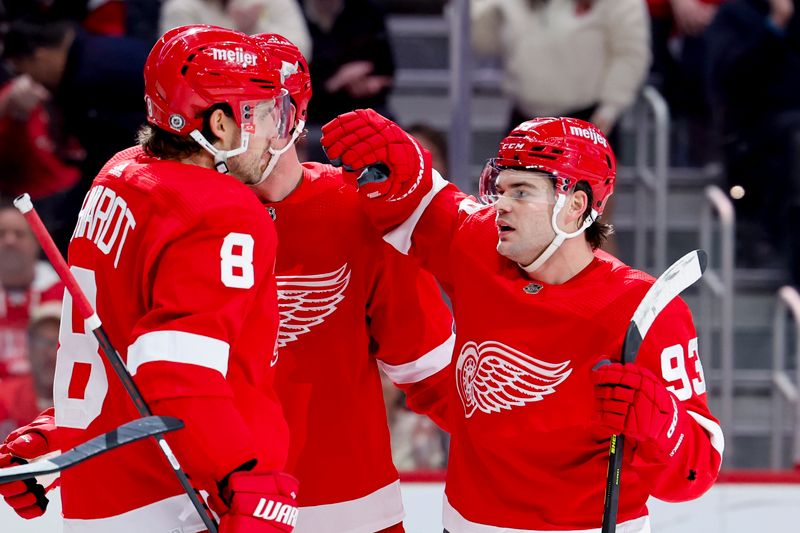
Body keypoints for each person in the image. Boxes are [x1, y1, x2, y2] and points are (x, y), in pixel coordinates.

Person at [320, 110, 724, 532]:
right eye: (499, 189)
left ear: (575, 205)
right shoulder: (478, 245)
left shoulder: (645, 309)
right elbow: (422, 203)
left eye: (522, 192)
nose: (500, 206)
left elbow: (696, 474)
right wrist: (401, 159)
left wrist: (662, 423)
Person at [0, 25, 300, 532]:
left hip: (103, 494)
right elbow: (175, 370)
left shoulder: (120, 174)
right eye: (264, 113)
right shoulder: (220, 208)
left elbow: (114, 347)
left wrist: (58, 434)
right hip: (180, 499)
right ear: (221, 125)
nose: (277, 131)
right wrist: (241, 475)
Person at [248, 33, 455, 533]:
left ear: (289, 116)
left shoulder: (357, 211)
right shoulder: (183, 214)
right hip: (212, 505)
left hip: (348, 508)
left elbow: (432, 372)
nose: (232, 126)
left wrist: (550, 442)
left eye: (251, 109)